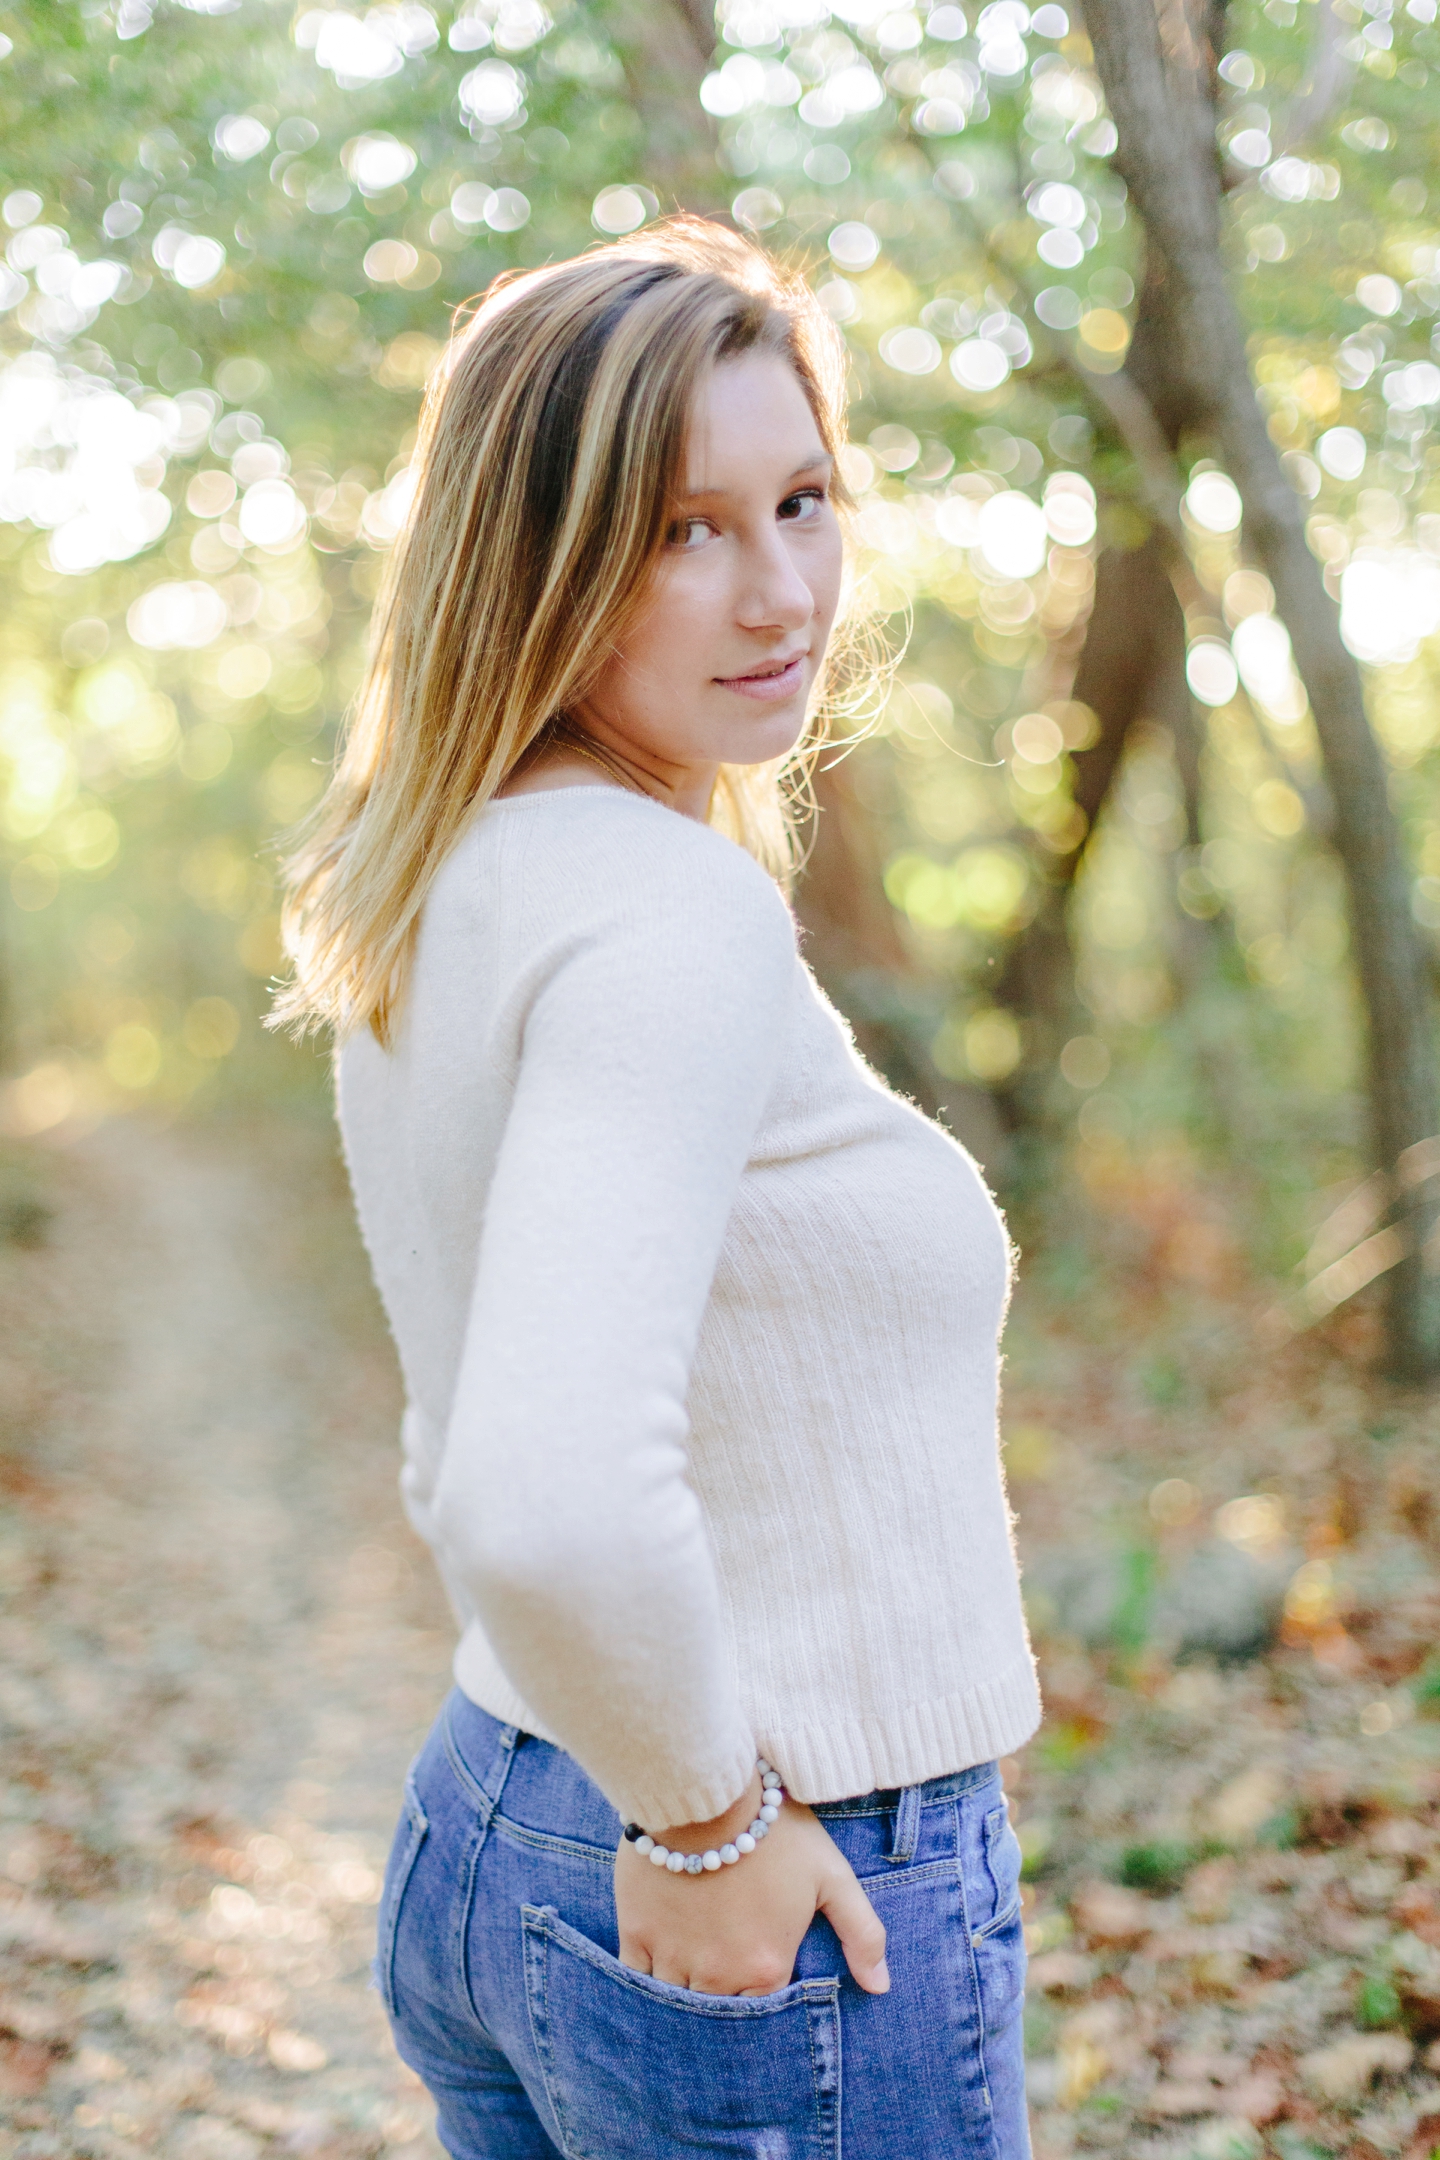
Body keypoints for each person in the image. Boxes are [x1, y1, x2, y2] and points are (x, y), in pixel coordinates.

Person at [274, 216, 1040, 2160]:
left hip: (497, 1809)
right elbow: (541, 1481)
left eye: (801, 499)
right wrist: (711, 1815)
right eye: (681, 528)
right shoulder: (662, 910)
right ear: (526, 556)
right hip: (752, 1862)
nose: (781, 589)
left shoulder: (444, 869)